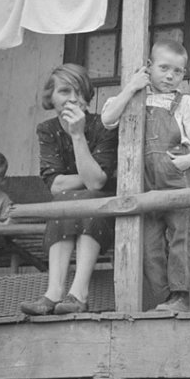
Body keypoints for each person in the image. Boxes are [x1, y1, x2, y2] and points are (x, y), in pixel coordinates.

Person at [101, 39, 190, 313]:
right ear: (149, 67)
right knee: (149, 245)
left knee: (181, 236)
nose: (171, 76)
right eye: (164, 68)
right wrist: (131, 88)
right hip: (143, 182)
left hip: (176, 177)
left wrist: (189, 159)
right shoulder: (135, 97)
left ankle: (180, 297)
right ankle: (164, 299)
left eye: (178, 71)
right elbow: (108, 119)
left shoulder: (184, 101)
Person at [20, 64, 118, 316]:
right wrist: (88, 177)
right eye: (64, 91)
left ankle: (79, 293)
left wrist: (77, 135)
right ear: (50, 97)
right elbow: (55, 185)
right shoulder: (47, 129)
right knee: (64, 200)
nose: (73, 99)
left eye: (80, 92)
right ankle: (53, 294)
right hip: (69, 206)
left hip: (105, 207)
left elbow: (97, 184)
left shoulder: (103, 126)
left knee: (84, 198)